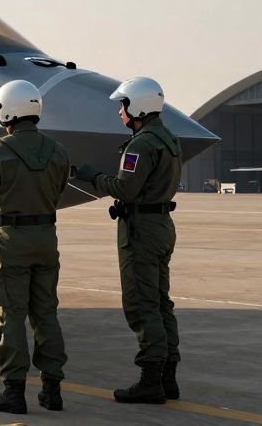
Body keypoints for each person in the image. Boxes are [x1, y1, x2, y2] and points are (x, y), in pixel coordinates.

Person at [0, 79, 69, 414]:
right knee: (46, 314)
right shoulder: (56, 150)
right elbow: (58, 189)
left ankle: (14, 391)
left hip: (12, 241)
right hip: (46, 238)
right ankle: (52, 391)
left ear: (6, 111)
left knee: (12, 314)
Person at [75, 76, 182, 404]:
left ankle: (150, 381)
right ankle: (168, 378)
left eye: (123, 105)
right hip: (162, 224)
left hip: (142, 230)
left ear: (137, 106)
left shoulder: (140, 145)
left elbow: (125, 189)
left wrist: (93, 176)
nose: (120, 112)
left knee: (141, 303)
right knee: (162, 301)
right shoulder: (169, 140)